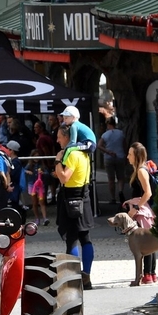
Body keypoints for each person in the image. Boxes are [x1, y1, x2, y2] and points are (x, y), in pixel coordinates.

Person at [55, 124, 96, 290]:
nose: (58, 140)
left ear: (68, 137)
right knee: (85, 237)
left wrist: (58, 161)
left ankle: (75, 278)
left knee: (72, 238)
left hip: (71, 198)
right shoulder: (84, 154)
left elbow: (64, 177)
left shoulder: (72, 154)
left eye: (59, 136)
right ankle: (86, 276)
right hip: (83, 196)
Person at [125, 142, 156, 285]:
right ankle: (149, 274)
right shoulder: (140, 169)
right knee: (147, 239)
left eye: (130, 154)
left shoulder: (141, 171)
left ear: (136, 156)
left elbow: (148, 192)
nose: (127, 157)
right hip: (142, 209)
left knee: (145, 240)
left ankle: (148, 274)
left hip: (142, 211)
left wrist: (136, 208)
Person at [98, 117, 128, 204]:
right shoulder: (121, 133)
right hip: (120, 157)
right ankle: (120, 191)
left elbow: (99, 145)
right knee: (121, 177)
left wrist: (108, 151)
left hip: (109, 158)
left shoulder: (105, 135)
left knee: (111, 179)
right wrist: (126, 155)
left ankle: (113, 198)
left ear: (108, 124)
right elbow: (124, 145)